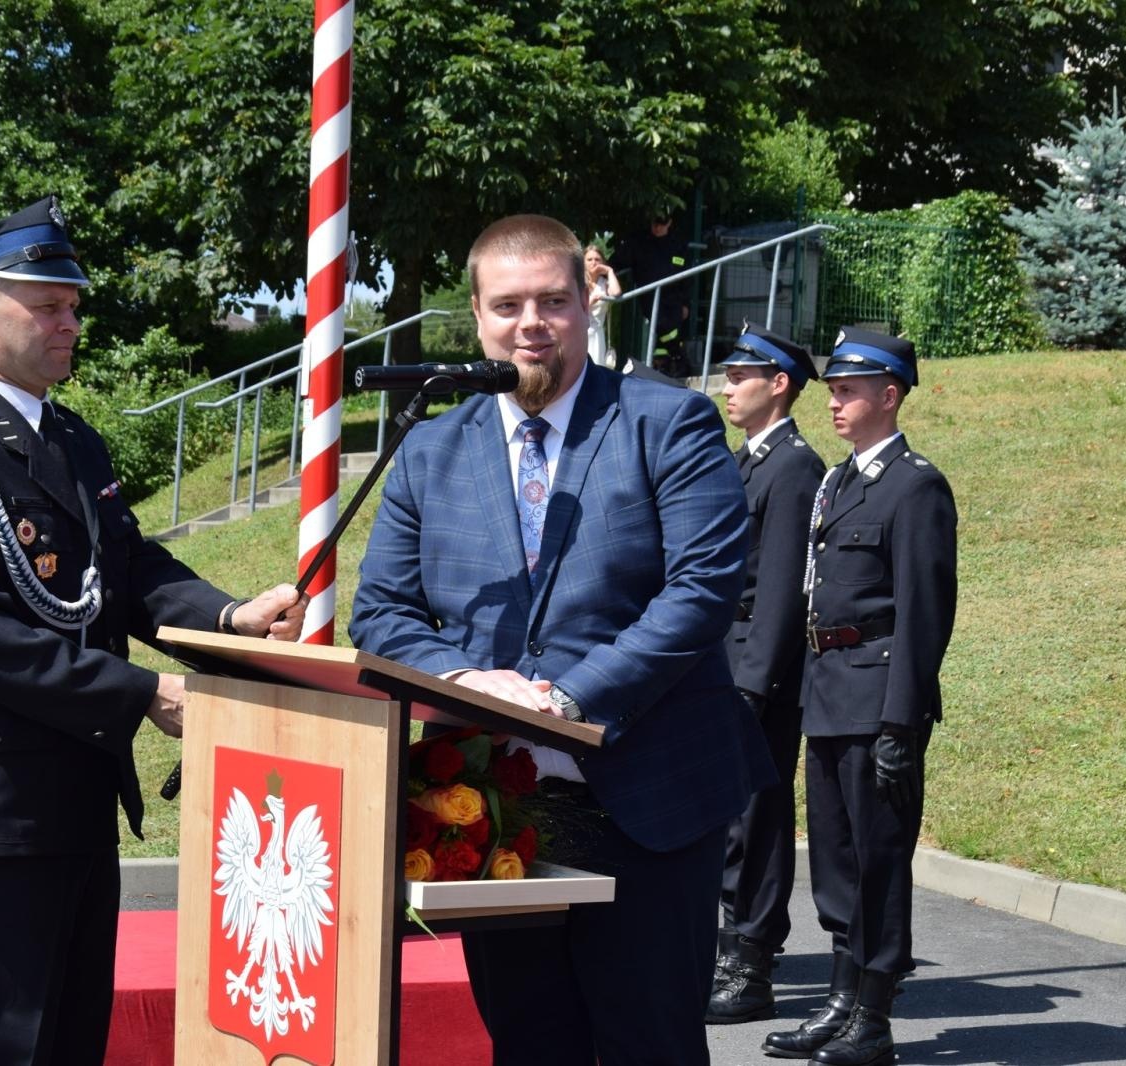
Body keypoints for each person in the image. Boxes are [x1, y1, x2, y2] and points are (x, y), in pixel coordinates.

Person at [0, 195, 307, 1066]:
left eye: (73, 306)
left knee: (71, 1039)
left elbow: (128, 570)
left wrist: (228, 617)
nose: (70, 322)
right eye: (47, 307)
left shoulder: (74, 440)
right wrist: (145, 693)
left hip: (79, 789)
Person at [349, 214, 773, 1066]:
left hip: (647, 793)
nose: (530, 323)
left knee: (648, 1044)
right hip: (495, 802)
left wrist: (569, 698)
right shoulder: (431, 449)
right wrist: (471, 680)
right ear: (476, 316)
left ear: (588, 304)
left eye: (552, 300)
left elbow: (702, 590)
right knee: (530, 1042)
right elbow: (383, 615)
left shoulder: (671, 423)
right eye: (508, 305)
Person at [762, 326, 956, 1065]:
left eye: (848, 391)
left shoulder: (915, 486)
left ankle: (872, 1016)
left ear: (889, 394)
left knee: (878, 857)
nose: (835, 403)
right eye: (834, 390)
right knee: (839, 859)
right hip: (829, 692)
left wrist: (901, 722)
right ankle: (842, 1001)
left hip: (878, 699)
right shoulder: (840, 482)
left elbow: (924, 613)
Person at [708, 326, 825, 1025]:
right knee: (727, 818)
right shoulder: (747, 461)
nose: (727, 385)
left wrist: (752, 685)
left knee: (757, 816)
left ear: (778, 384)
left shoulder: (793, 467)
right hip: (724, 658)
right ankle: (725, 946)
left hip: (759, 667)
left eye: (740, 374)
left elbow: (783, 588)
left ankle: (750, 961)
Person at [610, 214, 691, 376]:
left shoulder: (678, 244)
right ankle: (678, 356)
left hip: (673, 298)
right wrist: (605, 270)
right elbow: (618, 261)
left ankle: (665, 364)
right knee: (663, 327)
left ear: (670, 223)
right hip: (650, 296)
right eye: (655, 223)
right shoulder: (640, 242)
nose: (658, 227)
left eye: (662, 224)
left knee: (665, 331)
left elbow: (687, 276)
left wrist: (685, 303)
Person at [583, 243, 622, 367]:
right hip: (579, 334)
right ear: (583, 262)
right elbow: (573, 310)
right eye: (589, 259)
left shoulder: (604, 283)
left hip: (597, 335)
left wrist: (609, 271)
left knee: (596, 371)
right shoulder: (577, 282)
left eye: (597, 259)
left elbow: (616, 293)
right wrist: (591, 301)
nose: (593, 263)